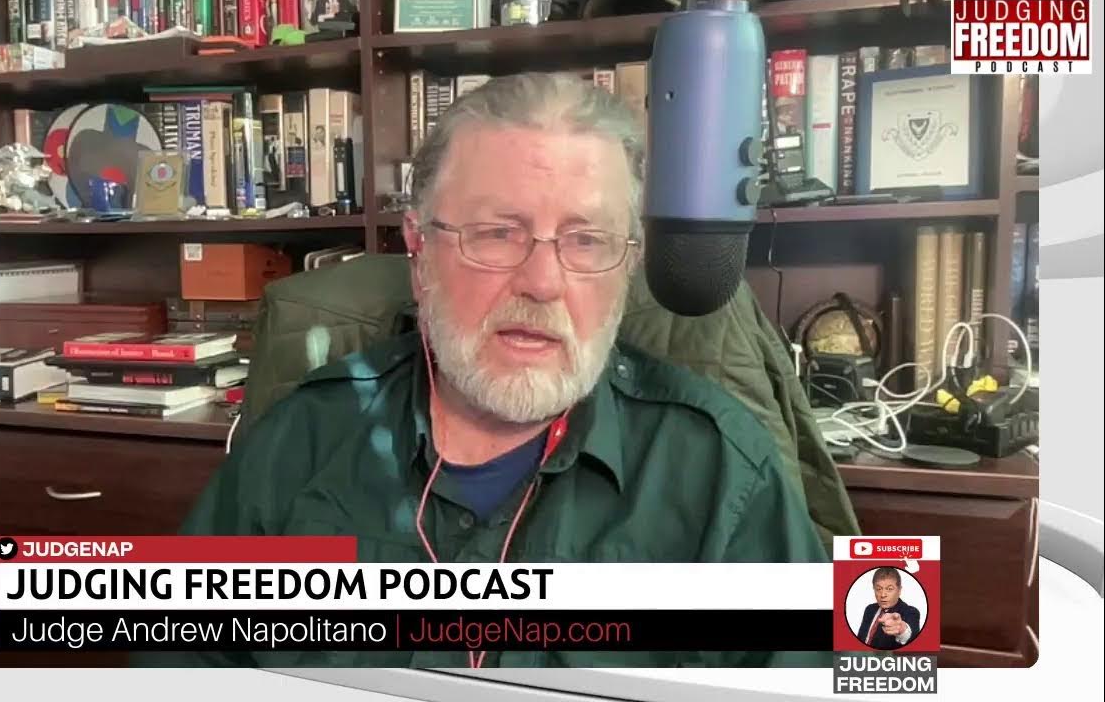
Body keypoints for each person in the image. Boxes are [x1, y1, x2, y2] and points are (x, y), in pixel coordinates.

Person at [175, 72, 830, 668]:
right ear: (418, 249)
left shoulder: (722, 471)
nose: (542, 283)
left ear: (629, 264)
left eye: (586, 240)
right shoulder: (297, 444)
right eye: (497, 233)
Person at [855, 567, 922, 650]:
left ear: (899, 590)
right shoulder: (869, 609)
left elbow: (910, 636)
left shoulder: (911, 612)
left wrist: (902, 630)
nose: (883, 595)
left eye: (889, 589)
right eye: (878, 589)